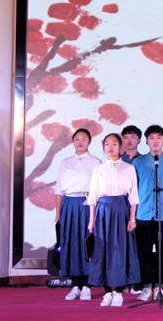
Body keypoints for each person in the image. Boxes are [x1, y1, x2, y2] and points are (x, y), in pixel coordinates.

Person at [86, 133, 141, 307]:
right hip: (103, 211)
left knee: (121, 250)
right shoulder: (99, 169)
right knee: (102, 250)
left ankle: (119, 291)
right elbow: (93, 196)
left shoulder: (129, 168)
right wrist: (91, 221)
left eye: (114, 144)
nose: (110, 147)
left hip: (122, 210)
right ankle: (107, 292)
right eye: (107, 144)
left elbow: (133, 196)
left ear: (121, 147)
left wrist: (132, 218)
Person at [132, 124, 163, 302]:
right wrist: (132, 216)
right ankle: (146, 287)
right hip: (144, 213)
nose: (155, 141)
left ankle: (160, 286)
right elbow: (133, 191)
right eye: (151, 138)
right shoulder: (138, 162)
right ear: (146, 141)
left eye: (159, 137)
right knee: (144, 252)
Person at [55, 127, 101, 301]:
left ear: (89, 142)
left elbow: (97, 188)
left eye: (84, 139)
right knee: (71, 243)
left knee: (86, 243)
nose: (80, 142)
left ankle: (87, 285)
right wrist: (58, 212)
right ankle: (75, 285)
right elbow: (59, 189)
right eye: (77, 139)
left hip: (87, 203)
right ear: (73, 142)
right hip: (69, 204)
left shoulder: (96, 162)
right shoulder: (65, 162)